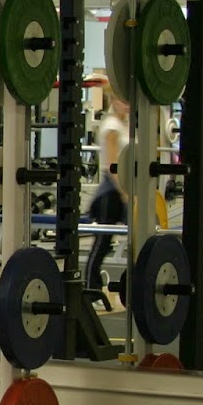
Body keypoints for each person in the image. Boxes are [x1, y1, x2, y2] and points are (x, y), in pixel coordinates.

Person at [82, 85, 129, 295]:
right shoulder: (111, 126)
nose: (126, 105)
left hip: (125, 188)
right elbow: (112, 165)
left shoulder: (126, 125)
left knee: (137, 239)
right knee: (102, 243)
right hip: (111, 191)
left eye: (128, 101)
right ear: (113, 102)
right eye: (122, 101)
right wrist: (124, 193)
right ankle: (90, 289)